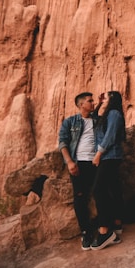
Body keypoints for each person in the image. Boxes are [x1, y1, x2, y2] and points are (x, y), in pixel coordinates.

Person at [58, 92, 98, 250]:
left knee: (100, 194)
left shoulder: (97, 120)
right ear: (81, 105)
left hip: (96, 163)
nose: (93, 103)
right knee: (80, 198)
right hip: (79, 163)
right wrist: (69, 162)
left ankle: (104, 230)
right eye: (90, 101)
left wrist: (101, 103)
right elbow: (63, 142)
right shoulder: (71, 121)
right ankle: (86, 232)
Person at [90, 91, 126, 250]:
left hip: (110, 156)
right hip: (109, 156)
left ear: (112, 99)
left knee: (98, 190)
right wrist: (98, 104)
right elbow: (93, 119)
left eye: (105, 97)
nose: (102, 98)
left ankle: (105, 231)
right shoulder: (107, 114)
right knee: (113, 189)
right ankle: (117, 225)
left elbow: (110, 136)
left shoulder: (114, 113)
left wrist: (98, 154)